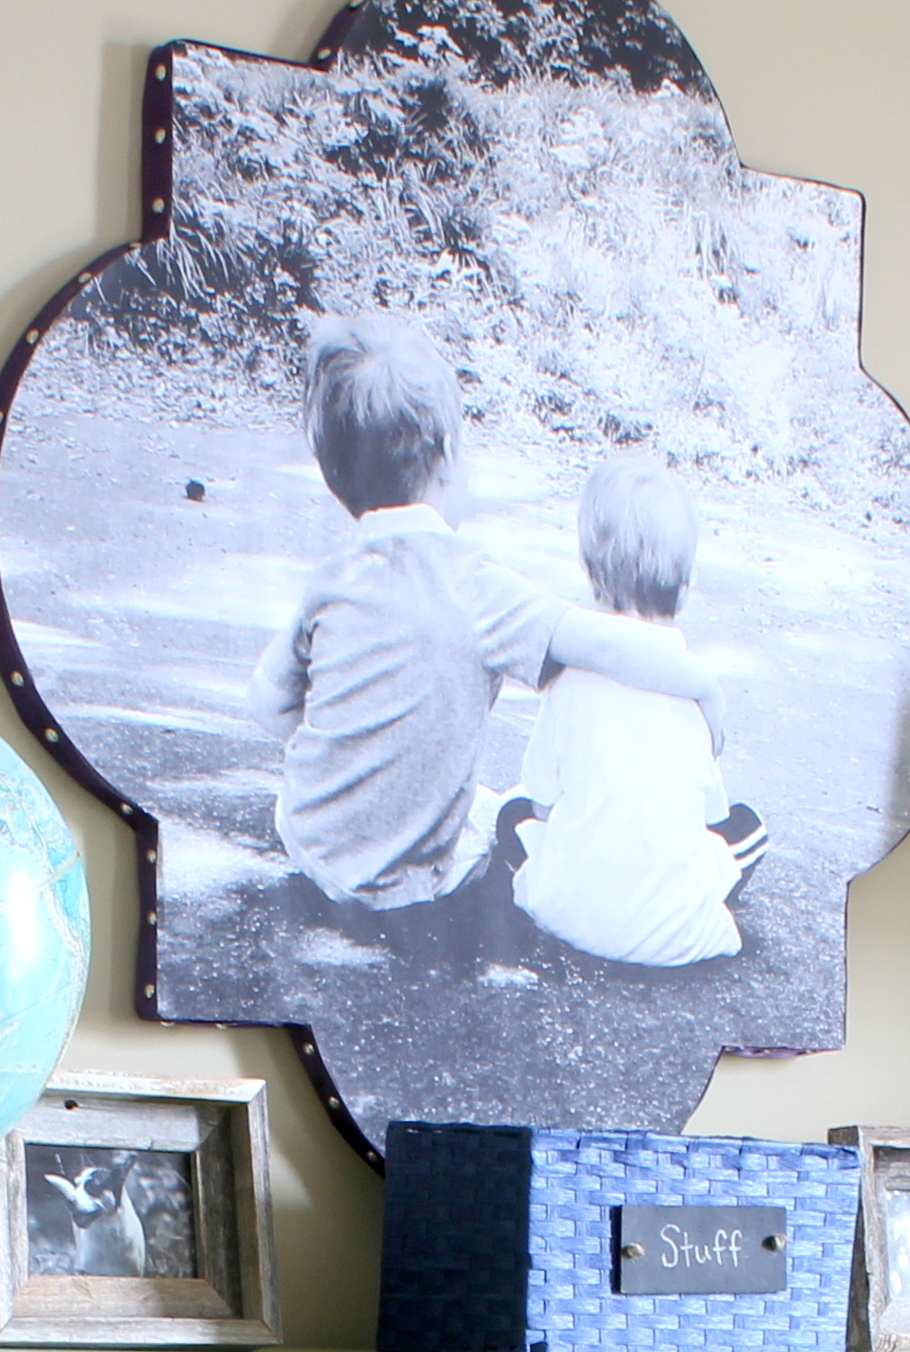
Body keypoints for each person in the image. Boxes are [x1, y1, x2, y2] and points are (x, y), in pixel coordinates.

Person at [247, 318, 718, 942]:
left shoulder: (332, 580)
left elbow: (267, 702)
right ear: (444, 458)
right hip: (414, 884)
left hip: (310, 845)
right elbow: (604, 643)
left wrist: (348, 757)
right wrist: (702, 688)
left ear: (338, 479)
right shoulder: (478, 588)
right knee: (496, 819)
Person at [508, 454, 769, 968]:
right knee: (746, 830)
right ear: (686, 586)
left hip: (569, 917)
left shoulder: (568, 678)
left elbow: (540, 806)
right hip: (675, 943)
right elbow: (710, 818)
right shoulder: (692, 692)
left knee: (511, 816)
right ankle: (674, 903)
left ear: (592, 576)